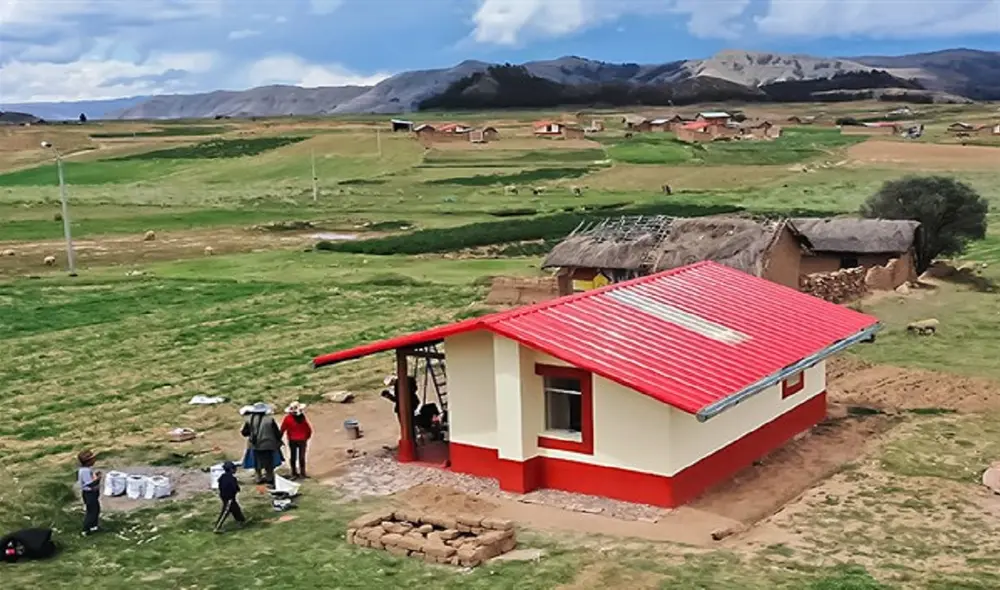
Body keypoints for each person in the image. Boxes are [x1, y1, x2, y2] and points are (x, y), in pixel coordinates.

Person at [240, 403, 282, 485]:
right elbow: (276, 432)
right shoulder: (270, 420)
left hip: (255, 445)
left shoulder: (250, 419)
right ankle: (269, 477)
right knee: (269, 462)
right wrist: (278, 441)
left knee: (257, 462)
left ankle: (258, 478)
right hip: (269, 444)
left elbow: (244, 433)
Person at [280, 402, 313, 480]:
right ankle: (302, 473)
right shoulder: (302, 418)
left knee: (293, 457)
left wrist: (278, 439)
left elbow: (282, 429)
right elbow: (308, 429)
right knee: (302, 457)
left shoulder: (287, 418)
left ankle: (294, 473)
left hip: (292, 440)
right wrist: (307, 437)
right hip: (302, 440)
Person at [214, 461, 246, 533]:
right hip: (229, 498)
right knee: (226, 511)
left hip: (225, 496)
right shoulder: (232, 479)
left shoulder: (222, 477)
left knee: (236, 509)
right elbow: (236, 488)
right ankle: (217, 527)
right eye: (234, 468)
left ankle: (241, 520)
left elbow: (219, 483)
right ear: (231, 469)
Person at [77, 450, 101, 536]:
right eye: (93, 459)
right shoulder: (85, 471)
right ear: (88, 461)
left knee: (96, 510)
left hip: (92, 493)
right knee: (91, 512)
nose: (95, 460)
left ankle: (94, 526)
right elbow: (90, 483)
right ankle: (85, 529)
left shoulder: (86, 469)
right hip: (89, 494)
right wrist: (98, 479)